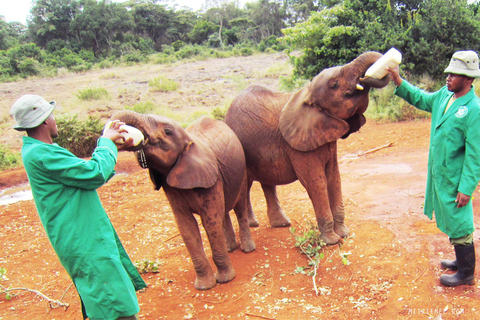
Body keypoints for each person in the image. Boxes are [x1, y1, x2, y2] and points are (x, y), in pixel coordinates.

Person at [10, 94, 147, 319]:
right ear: (45, 120)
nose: (55, 120)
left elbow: (81, 172)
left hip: (80, 235)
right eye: (51, 115)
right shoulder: (42, 154)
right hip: (82, 239)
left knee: (105, 294)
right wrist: (105, 142)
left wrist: (111, 146)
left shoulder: (40, 151)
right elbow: (93, 173)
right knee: (111, 301)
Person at [388, 50, 480, 287]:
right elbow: (420, 98)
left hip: (456, 177)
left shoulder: (474, 109)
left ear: (469, 80)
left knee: (460, 220)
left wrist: (467, 187)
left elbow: (474, 154)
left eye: (455, 74)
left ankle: (467, 273)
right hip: (441, 173)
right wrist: (398, 81)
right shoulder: (443, 96)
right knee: (450, 217)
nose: (448, 77)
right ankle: (461, 261)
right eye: (448, 72)